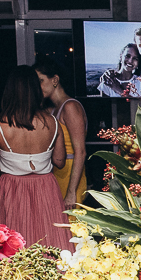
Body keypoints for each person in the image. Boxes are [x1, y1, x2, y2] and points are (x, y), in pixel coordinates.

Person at [0, 66, 70, 250]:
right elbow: (59, 161)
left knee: (15, 246)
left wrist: (12, 170)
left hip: (12, 187)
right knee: (50, 241)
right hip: (46, 186)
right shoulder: (53, 121)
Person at [34, 56, 88, 210]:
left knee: (72, 227)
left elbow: (81, 152)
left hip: (71, 175)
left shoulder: (70, 106)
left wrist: (72, 192)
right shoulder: (52, 110)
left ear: (55, 79)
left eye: (41, 81)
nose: (37, 87)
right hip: (57, 173)